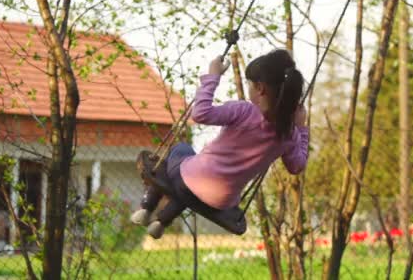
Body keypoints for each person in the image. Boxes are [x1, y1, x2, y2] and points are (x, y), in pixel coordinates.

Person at [130, 49, 310, 238]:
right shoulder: (289, 134)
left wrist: (213, 76)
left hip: (191, 181)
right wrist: (302, 129)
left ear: (260, 88)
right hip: (221, 201)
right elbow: (297, 166)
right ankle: (161, 222)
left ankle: (146, 206)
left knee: (181, 151)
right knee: (191, 189)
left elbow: (200, 114)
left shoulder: (244, 111)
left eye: (249, 83)